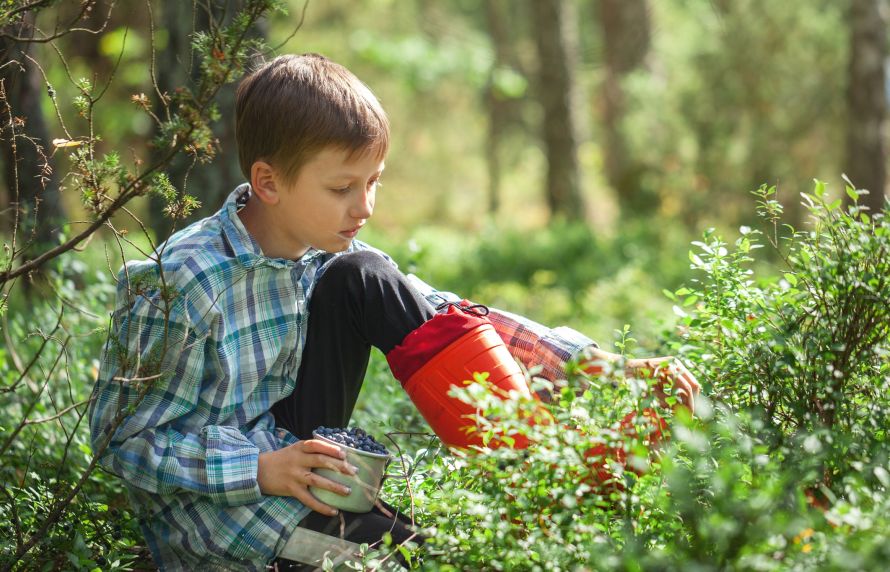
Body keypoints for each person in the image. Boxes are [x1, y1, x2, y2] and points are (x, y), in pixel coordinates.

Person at [88, 53, 700, 571]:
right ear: (268, 183)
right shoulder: (180, 281)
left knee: (369, 277)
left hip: (304, 462)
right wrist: (261, 467)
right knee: (423, 558)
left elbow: (443, 316)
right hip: (222, 523)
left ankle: (536, 468)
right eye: (342, 188)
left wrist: (596, 365)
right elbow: (122, 440)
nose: (365, 206)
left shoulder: (328, 251)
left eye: (374, 181)